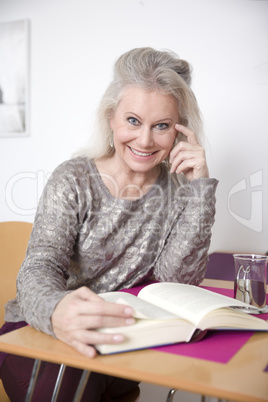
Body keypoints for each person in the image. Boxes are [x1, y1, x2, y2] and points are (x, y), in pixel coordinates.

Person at [0, 47, 218, 401]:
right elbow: (39, 266)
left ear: (179, 132)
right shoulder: (73, 178)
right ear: (111, 118)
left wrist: (200, 191)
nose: (145, 140)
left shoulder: (181, 191)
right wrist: (56, 311)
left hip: (116, 340)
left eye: (161, 126)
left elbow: (175, 284)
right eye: (133, 121)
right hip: (40, 328)